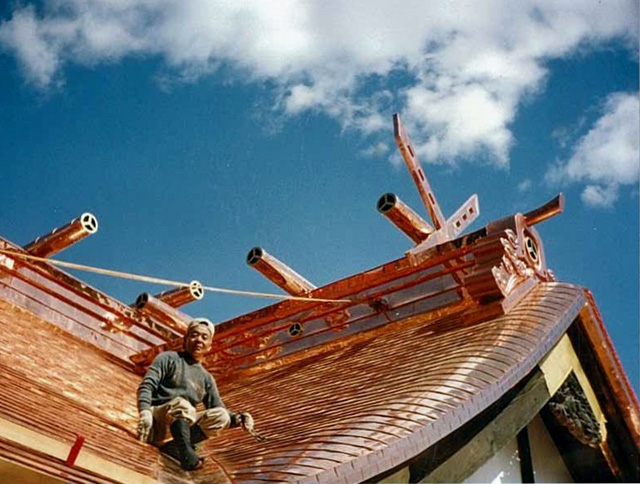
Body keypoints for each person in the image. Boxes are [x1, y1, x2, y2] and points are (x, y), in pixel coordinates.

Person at [136, 317, 254, 470]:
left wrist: (238, 418)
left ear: (209, 346)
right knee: (183, 405)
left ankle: (175, 447)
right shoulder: (168, 358)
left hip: (181, 427)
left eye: (204, 337)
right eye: (194, 335)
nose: (199, 340)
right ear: (185, 340)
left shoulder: (206, 378)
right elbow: (147, 385)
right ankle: (187, 455)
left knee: (221, 416)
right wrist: (145, 411)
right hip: (157, 422)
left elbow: (218, 408)